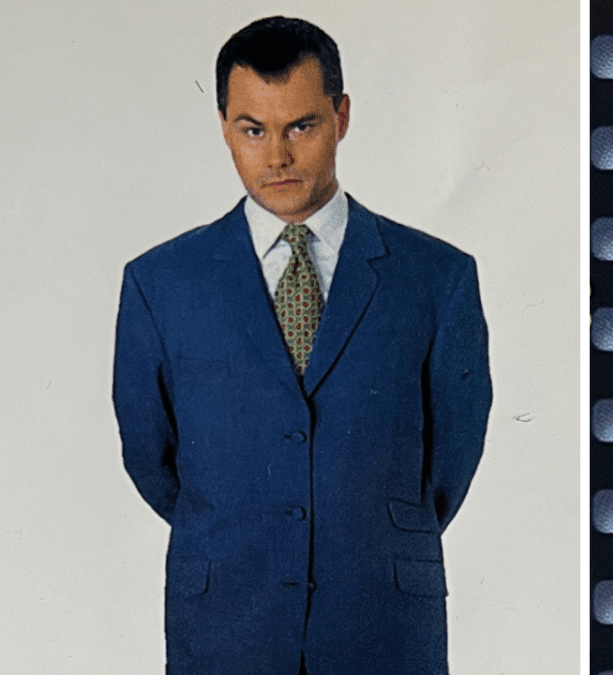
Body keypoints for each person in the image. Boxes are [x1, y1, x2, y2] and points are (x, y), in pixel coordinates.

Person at [112, 16, 491, 674]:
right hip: (227, 620)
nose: (277, 157)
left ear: (341, 117)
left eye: (301, 126)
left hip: (381, 621)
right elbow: (152, 455)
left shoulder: (437, 277)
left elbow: (452, 453)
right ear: (225, 125)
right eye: (252, 129)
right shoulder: (161, 283)